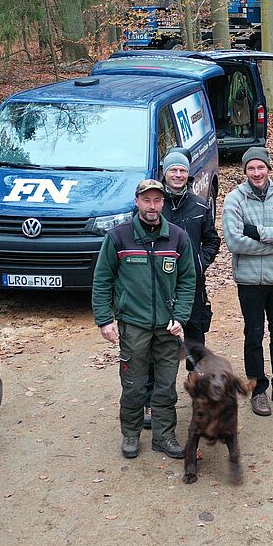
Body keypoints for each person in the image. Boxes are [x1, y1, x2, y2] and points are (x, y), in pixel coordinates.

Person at [92, 179, 196, 460]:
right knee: (134, 385)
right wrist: (105, 320)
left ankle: (164, 436)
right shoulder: (119, 237)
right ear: (137, 202)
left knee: (165, 386)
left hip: (167, 327)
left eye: (157, 201)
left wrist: (181, 316)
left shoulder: (177, 237)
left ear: (163, 203)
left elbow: (188, 281)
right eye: (147, 200)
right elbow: (102, 280)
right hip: (133, 325)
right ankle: (131, 434)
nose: (152, 206)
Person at [140, 150, 221, 428]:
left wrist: (199, 262)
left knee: (195, 348)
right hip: (157, 290)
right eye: (173, 170)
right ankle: (151, 403)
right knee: (154, 349)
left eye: (182, 171)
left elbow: (212, 241)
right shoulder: (153, 206)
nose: (177, 175)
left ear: (188, 174)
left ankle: (200, 399)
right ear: (165, 172)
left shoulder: (200, 207)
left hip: (193, 291)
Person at [221, 147, 273, 417]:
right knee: (253, 335)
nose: (256, 173)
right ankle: (258, 390)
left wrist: (257, 232)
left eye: (261, 167)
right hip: (249, 282)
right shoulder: (234, 200)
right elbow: (234, 241)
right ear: (244, 171)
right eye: (251, 168)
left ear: (269, 168)